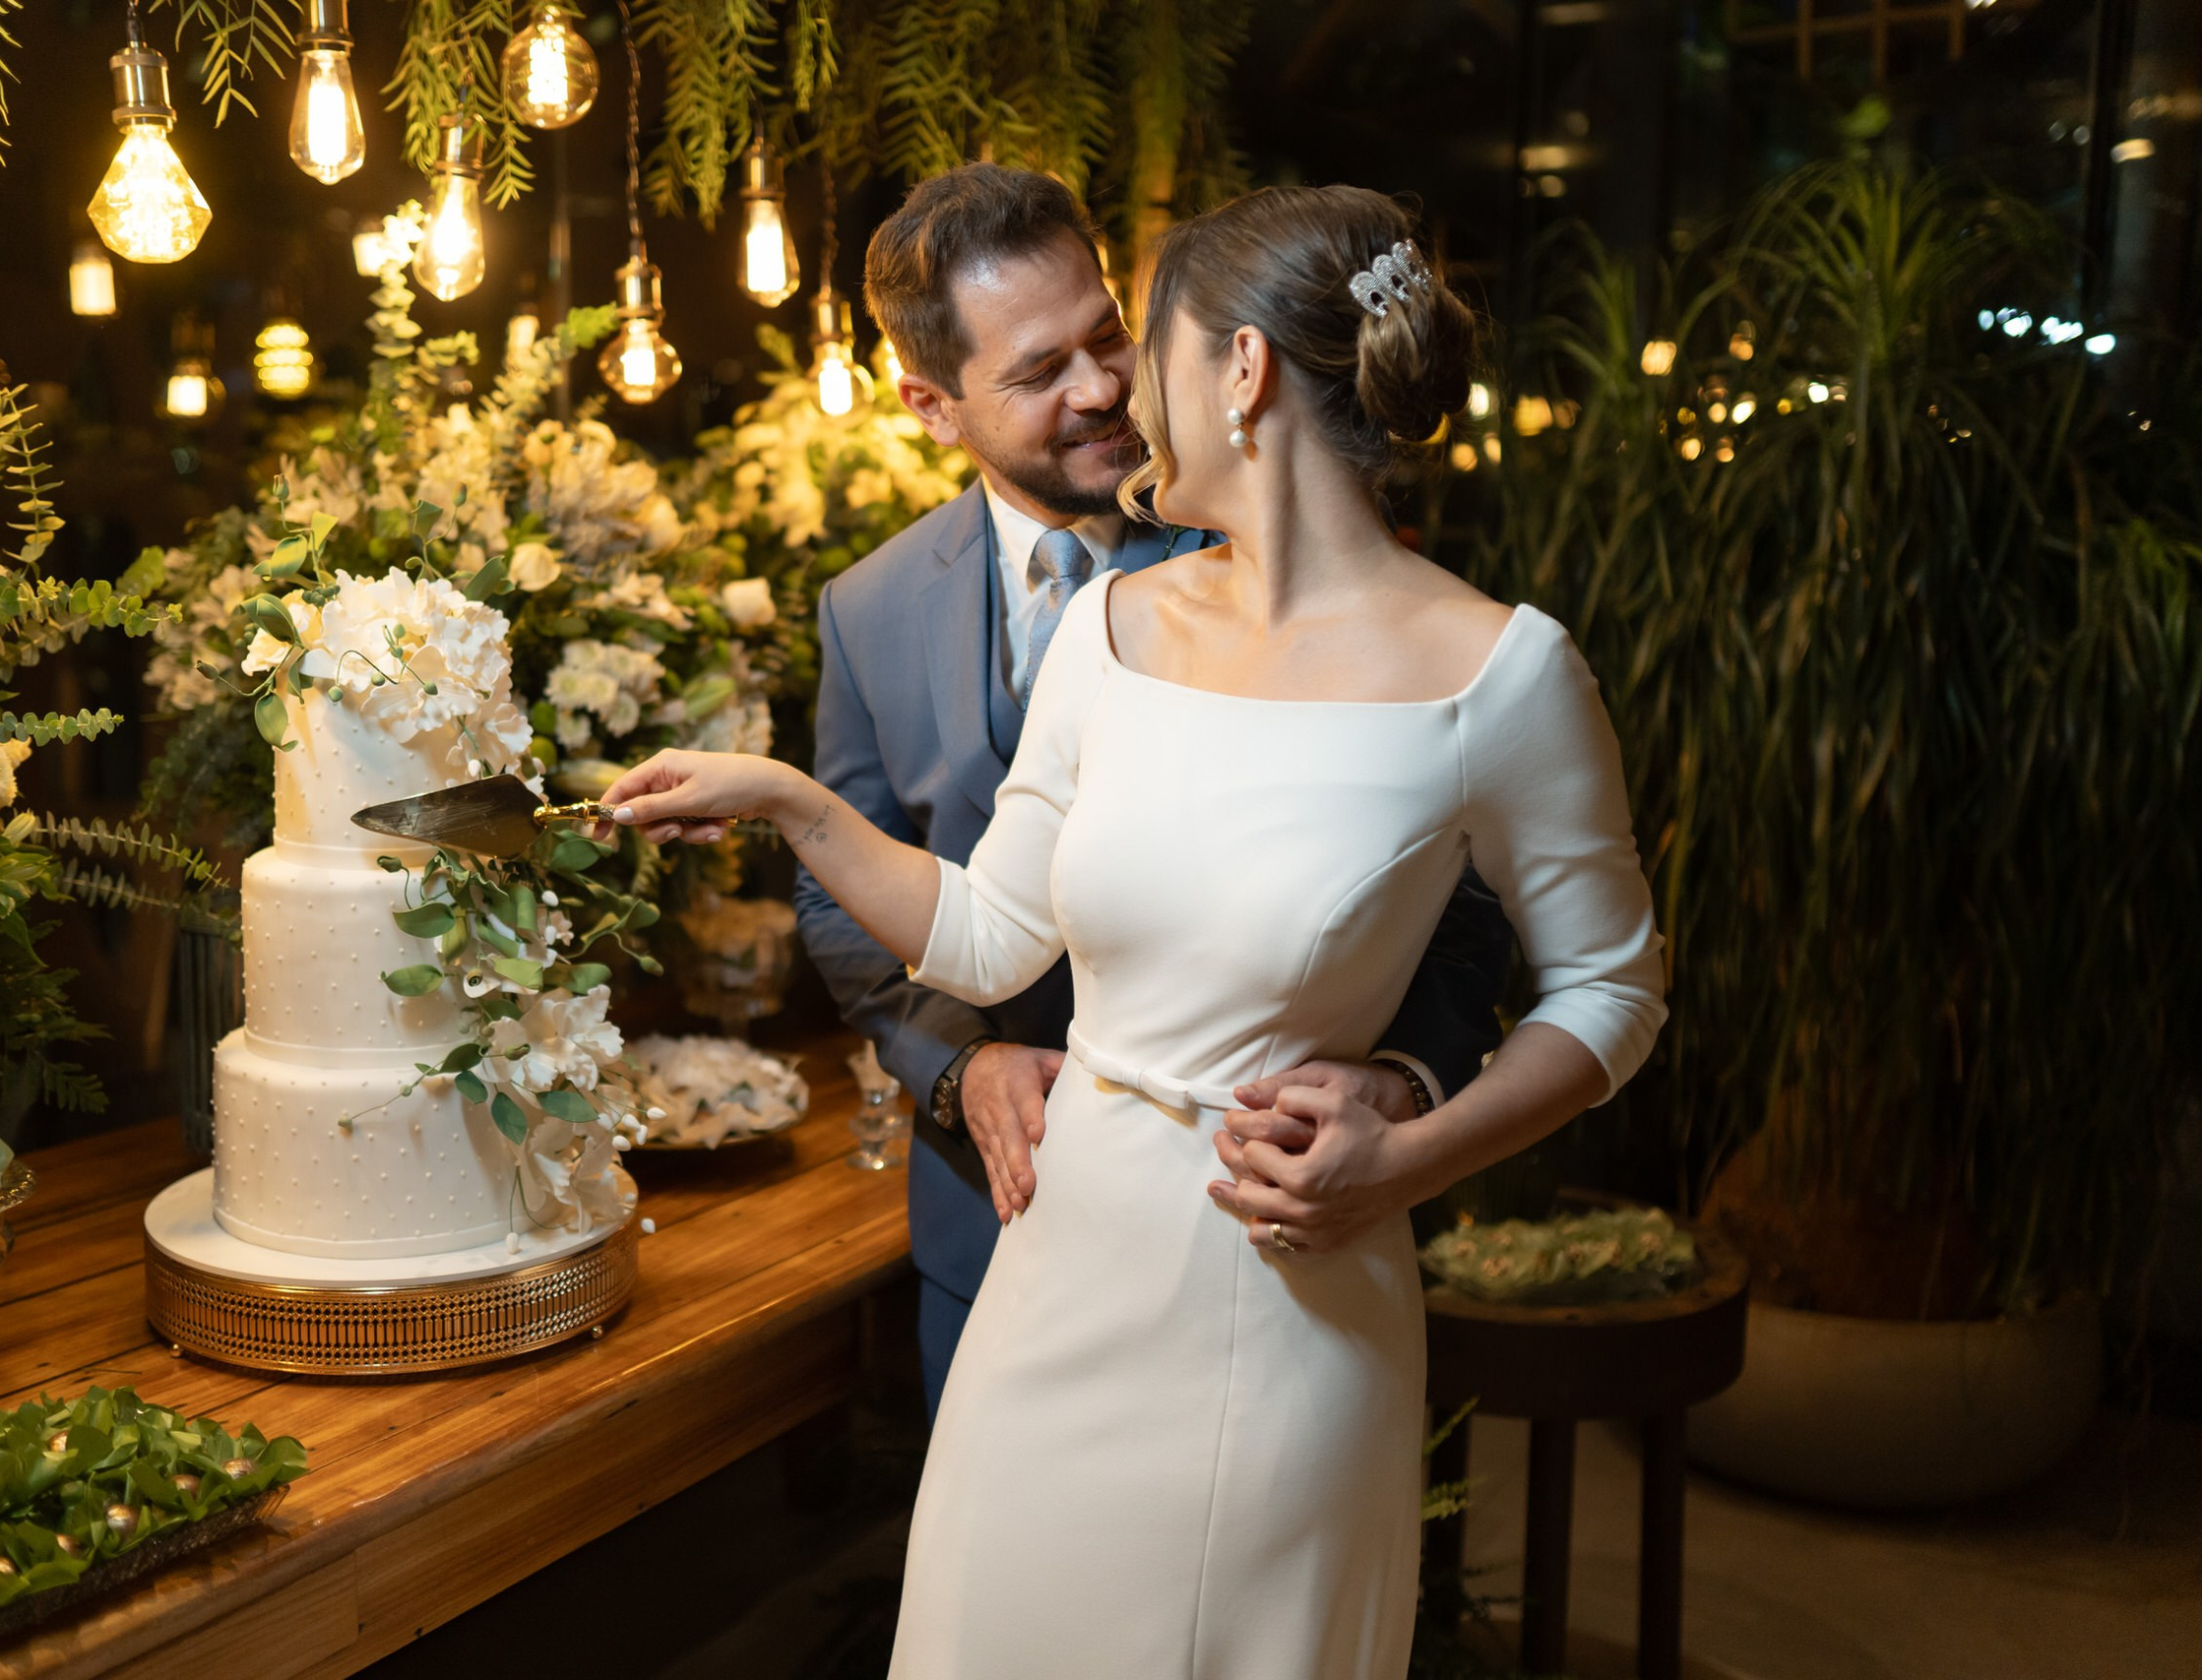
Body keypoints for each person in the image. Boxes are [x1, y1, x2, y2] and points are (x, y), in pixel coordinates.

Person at [601, 181, 1667, 1677]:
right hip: (1053, 1280)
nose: (1114, 389)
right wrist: (791, 800)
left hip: (1281, 1285)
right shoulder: (1115, 634)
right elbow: (982, 936)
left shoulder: (1504, 675)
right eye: (1058, 365)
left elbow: (1614, 993)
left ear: (1239, 373)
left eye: (1137, 342)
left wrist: (1412, 1152)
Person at [792, 163, 1513, 1417]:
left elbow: (1460, 903)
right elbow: (840, 900)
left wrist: (1402, 1088)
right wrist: (963, 1072)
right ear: (930, 402)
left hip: (1266, 1223)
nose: (1100, 391)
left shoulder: (1292, 549)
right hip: (990, 1217)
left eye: (1107, 337)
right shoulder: (868, 610)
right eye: (1035, 372)